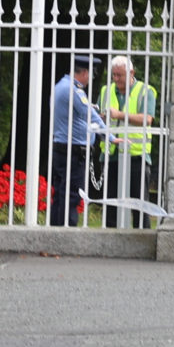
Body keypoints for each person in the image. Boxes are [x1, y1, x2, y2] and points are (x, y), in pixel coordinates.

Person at [96, 55, 159, 228]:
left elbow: (147, 119)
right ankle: (110, 238)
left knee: (139, 204)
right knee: (111, 203)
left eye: (120, 75)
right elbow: (98, 119)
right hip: (111, 155)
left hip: (136, 155)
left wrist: (119, 115)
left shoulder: (145, 91)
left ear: (131, 73)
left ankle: (142, 236)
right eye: (114, 75)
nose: (116, 79)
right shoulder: (105, 91)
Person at [48, 54, 103, 227]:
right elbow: (91, 116)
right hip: (73, 152)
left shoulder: (60, 86)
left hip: (61, 148)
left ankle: (55, 230)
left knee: (59, 194)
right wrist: (110, 136)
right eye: (91, 74)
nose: (91, 79)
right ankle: (66, 233)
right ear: (85, 73)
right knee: (71, 195)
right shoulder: (74, 90)